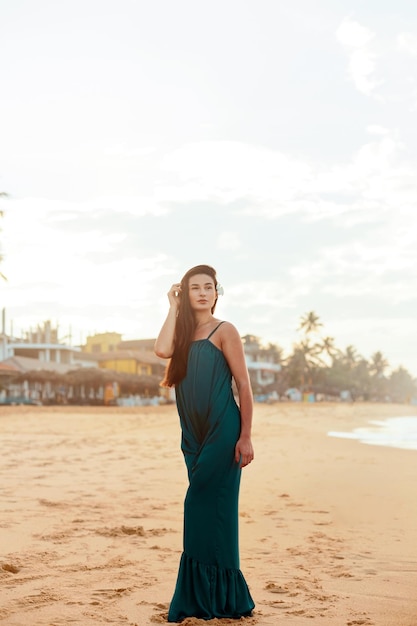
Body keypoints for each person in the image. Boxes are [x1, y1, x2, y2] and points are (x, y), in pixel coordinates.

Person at [154, 264, 255, 623]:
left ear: (217, 292)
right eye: (193, 287)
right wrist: (172, 306)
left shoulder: (224, 330)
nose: (201, 292)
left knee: (201, 503)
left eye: (208, 287)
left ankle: (212, 595)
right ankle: (216, 599)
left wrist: (245, 436)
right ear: (186, 293)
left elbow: (243, 386)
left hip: (223, 429)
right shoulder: (182, 334)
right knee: (212, 509)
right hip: (192, 434)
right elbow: (161, 349)